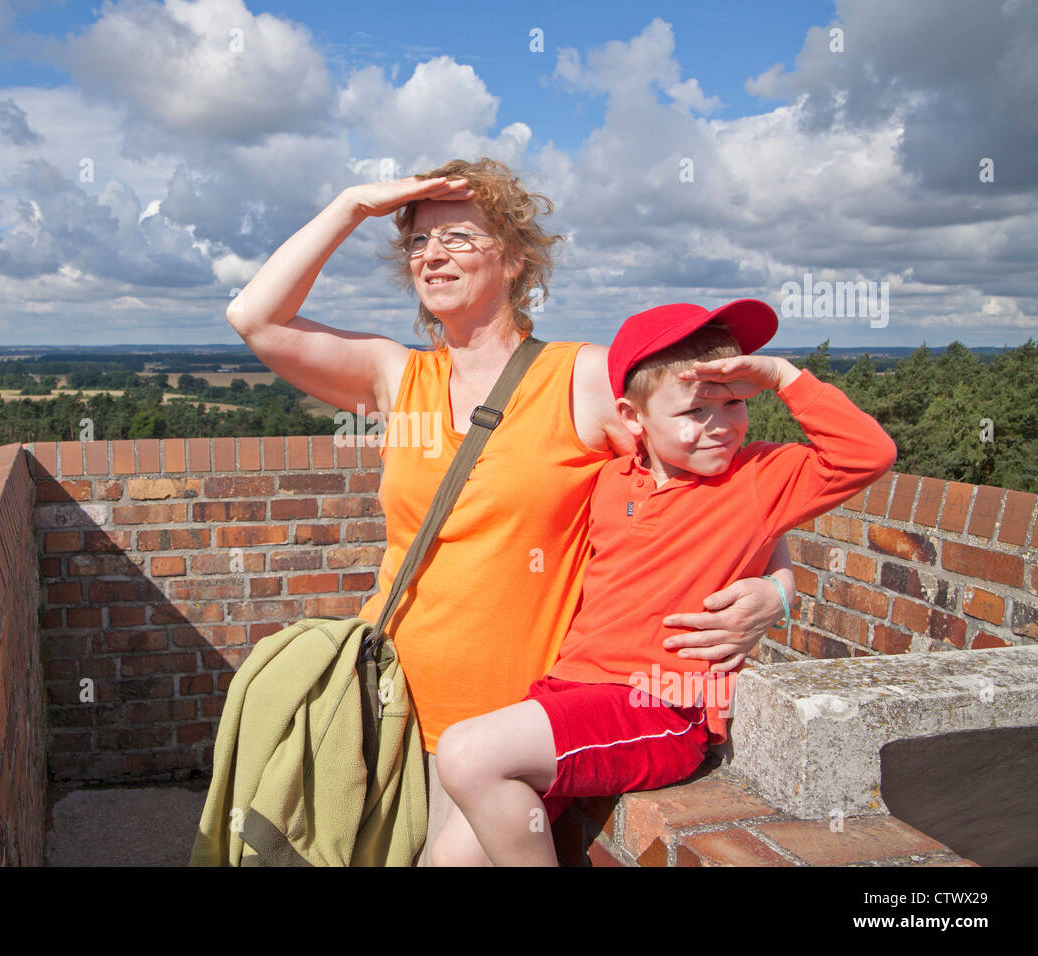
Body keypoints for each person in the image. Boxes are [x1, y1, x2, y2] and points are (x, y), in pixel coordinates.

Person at [223, 157, 796, 865]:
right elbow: (253, 315)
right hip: (389, 706)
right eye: (418, 243)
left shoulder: (581, 380)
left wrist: (778, 590)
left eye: (460, 237)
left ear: (519, 259)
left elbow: (722, 481)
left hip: (512, 717)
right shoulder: (397, 379)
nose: (432, 254)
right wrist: (354, 204)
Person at [431, 299, 898, 865]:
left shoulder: (759, 475)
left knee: (467, 753)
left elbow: (868, 454)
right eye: (695, 411)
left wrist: (781, 376)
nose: (720, 426)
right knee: (449, 858)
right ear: (633, 418)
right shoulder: (610, 479)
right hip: (569, 692)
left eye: (734, 402)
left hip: (657, 702)